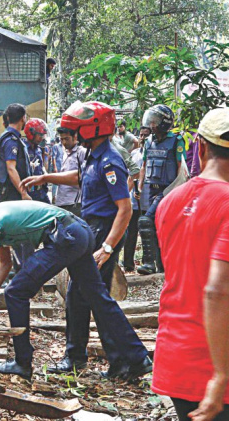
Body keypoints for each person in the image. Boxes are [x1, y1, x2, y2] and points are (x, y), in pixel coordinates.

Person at [0, 199, 151, 382]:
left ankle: (22, 363)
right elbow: (4, 263)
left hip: (64, 236)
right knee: (98, 298)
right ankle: (137, 358)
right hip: (79, 230)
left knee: (15, 292)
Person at [153, 107, 229, 421]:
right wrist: (220, 374)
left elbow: (189, 280)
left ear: (200, 147)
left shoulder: (168, 203)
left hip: (174, 351)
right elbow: (216, 290)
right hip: (214, 362)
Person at [22, 101, 142, 377]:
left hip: (104, 231)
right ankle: (104, 358)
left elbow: (125, 208)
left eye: (78, 129)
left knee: (91, 296)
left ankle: (125, 359)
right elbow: (80, 178)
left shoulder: (110, 160)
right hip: (93, 229)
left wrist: (108, 247)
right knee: (83, 296)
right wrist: (46, 177)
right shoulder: (94, 156)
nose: (75, 134)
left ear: (92, 129)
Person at [137, 104, 185, 276]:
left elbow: (180, 167)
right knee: (158, 228)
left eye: (155, 121)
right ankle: (162, 266)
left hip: (167, 191)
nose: (151, 124)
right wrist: (140, 186)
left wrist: (178, 192)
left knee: (145, 221)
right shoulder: (149, 142)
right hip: (151, 190)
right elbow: (144, 165)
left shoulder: (176, 141)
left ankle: (148, 263)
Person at [0, 103, 32, 203]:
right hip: (11, 192)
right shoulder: (11, 140)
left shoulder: (9, 137)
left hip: (10, 189)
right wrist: (23, 193)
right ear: (23, 118)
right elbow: (11, 168)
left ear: (8, 118)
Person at [122, 128, 148, 273]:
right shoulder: (134, 154)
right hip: (134, 200)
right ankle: (128, 263)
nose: (143, 138)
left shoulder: (151, 153)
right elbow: (130, 175)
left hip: (148, 200)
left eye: (146, 135)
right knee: (131, 232)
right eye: (141, 135)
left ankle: (147, 262)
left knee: (146, 232)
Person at [53, 126, 87, 217]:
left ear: (75, 136)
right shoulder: (65, 153)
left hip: (74, 203)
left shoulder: (82, 152)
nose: (64, 142)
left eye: (66, 139)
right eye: (62, 139)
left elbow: (83, 178)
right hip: (61, 201)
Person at [24, 119, 50, 203]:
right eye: (39, 135)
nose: (41, 138)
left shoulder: (38, 149)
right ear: (31, 133)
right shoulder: (23, 149)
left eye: (42, 135)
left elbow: (41, 166)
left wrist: (45, 174)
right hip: (29, 192)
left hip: (41, 192)